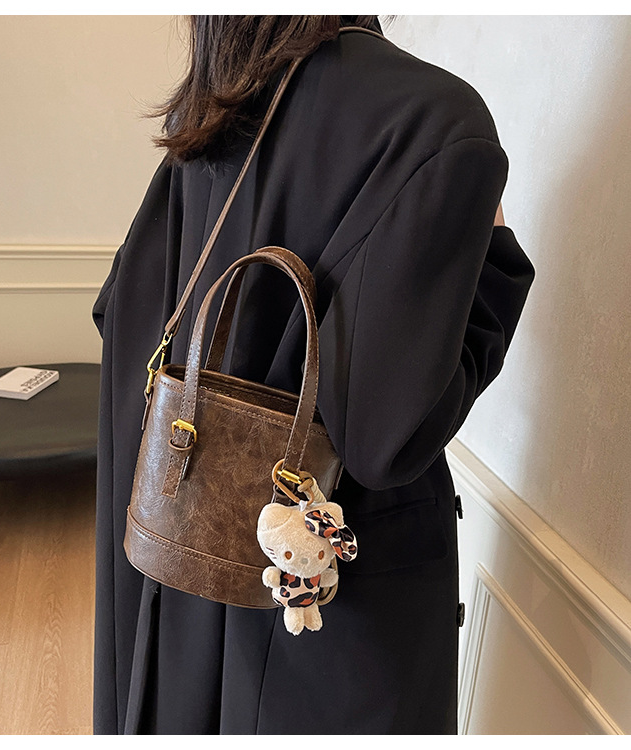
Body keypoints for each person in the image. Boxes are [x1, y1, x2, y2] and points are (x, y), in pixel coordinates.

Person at [92, 15, 535, 735]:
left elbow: (124, 314)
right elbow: (384, 439)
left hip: (180, 578)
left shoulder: (216, 106)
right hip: (322, 614)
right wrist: (497, 265)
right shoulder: (434, 120)